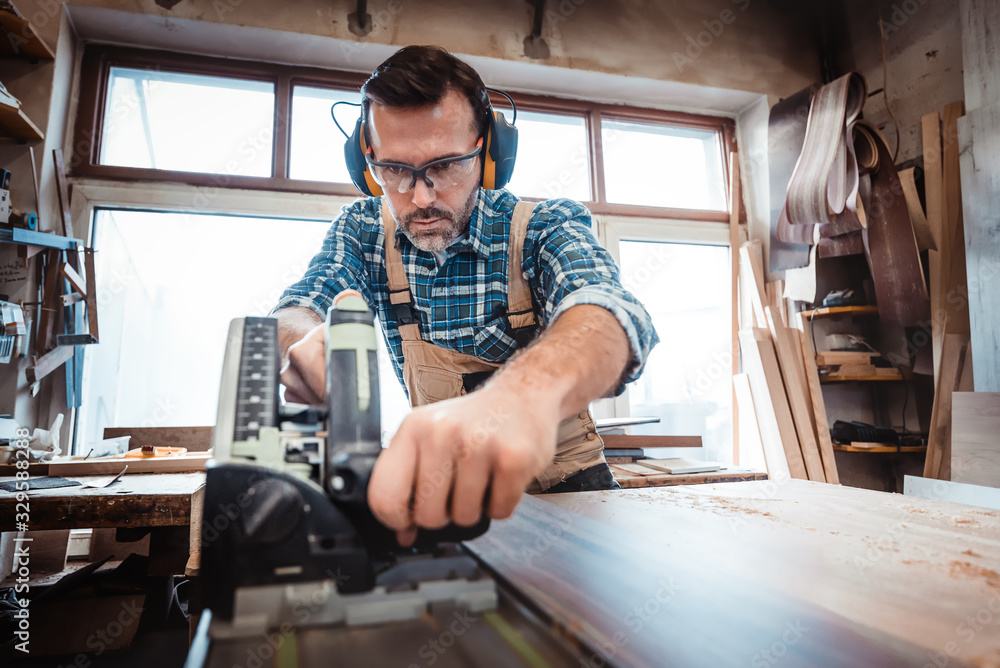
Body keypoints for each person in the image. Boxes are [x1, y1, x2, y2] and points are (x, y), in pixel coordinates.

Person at [273, 45, 658, 546]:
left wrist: (522, 399)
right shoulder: (362, 231)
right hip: (443, 494)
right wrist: (306, 341)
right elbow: (297, 308)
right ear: (367, 163)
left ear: (489, 152)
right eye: (395, 170)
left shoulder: (540, 227)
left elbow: (611, 312)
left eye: (448, 165)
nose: (422, 196)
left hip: (569, 490)